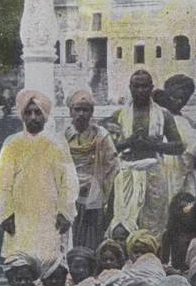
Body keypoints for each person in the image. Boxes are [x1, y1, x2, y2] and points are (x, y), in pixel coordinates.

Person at [0, 89, 78, 265]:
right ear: (22, 116)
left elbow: (68, 182)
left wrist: (65, 212)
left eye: (37, 112)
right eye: (28, 113)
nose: (33, 117)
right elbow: (1, 185)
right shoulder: (12, 144)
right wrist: (4, 214)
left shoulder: (58, 144)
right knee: (21, 264)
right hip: (20, 215)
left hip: (50, 214)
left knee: (50, 263)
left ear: (45, 115)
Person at [107, 69, 184, 238]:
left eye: (144, 86)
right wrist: (129, 142)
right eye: (136, 86)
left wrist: (154, 144)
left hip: (153, 174)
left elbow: (179, 146)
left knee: (153, 225)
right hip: (127, 173)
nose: (140, 90)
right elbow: (108, 147)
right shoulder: (118, 115)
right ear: (130, 87)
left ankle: (151, 260)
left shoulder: (163, 115)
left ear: (151, 88)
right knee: (123, 225)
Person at [64, 89, 118, 251]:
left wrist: (103, 196)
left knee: (92, 238)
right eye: (77, 109)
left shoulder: (101, 136)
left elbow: (112, 168)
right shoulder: (62, 137)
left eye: (85, 110)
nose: (81, 114)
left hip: (94, 196)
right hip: (69, 195)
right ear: (70, 111)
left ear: (91, 112)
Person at [153, 73, 196, 202]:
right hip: (161, 173)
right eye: (174, 97)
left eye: (184, 98)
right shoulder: (155, 116)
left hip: (179, 176)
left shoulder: (185, 122)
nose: (179, 101)